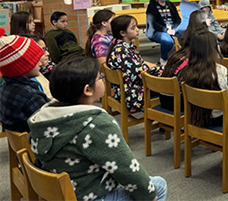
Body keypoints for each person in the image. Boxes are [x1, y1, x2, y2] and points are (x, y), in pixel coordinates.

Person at [27, 57, 167, 201]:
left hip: (59, 192)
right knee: (159, 186)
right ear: (87, 90)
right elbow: (126, 167)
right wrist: (148, 195)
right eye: (100, 77)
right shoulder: (95, 124)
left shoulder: (42, 118)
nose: (103, 79)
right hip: (87, 194)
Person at [174, 29, 228, 127]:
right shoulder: (222, 71)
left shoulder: (187, 69)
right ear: (213, 49)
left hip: (196, 116)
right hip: (220, 119)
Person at [107, 15, 161, 113]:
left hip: (128, 89)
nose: (137, 30)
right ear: (122, 33)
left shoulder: (125, 46)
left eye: (136, 26)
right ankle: (166, 119)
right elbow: (139, 75)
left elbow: (139, 67)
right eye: (133, 28)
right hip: (132, 95)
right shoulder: (122, 50)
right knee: (170, 88)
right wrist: (160, 70)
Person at [0, 28, 49, 132]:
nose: (40, 63)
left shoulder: (7, 85)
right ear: (23, 66)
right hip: (36, 141)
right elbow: (50, 119)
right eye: (36, 60)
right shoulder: (29, 95)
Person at [146, 0, 181, 65]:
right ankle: (163, 59)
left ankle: (182, 59)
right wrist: (166, 30)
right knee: (168, 41)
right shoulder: (152, 6)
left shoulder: (170, 5)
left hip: (172, 29)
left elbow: (177, 19)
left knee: (186, 37)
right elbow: (153, 23)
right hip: (157, 31)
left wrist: (175, 29)